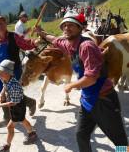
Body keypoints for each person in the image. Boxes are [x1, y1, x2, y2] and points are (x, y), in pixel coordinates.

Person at [35, 10, 128, 152]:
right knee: (81, 135)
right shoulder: (70, 44)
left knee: (120, 141)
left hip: (104, 100)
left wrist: (71, 85)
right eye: (64, 25)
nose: (66, 28)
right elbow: (55, 40)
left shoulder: (86, 46)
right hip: (87, 100)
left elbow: (91, 78)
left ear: (79, 28)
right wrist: (42, 33)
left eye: (71, 25)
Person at [0, 14, 36, 121]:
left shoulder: (14, 36)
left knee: (14, 93)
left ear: (5, 24)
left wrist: (34, 43)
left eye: (2, 23)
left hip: (14, 71)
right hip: (0, 73)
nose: (0, 26)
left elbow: (26, 45)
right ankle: (7, 116)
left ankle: (30, 102)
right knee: (2, 94)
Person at [0, 60, 37, 151]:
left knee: (10, 126)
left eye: (1, 72)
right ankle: (32, 133)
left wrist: (0, 105)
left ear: (8, 73)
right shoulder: (5, 79)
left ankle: (7, 146)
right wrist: (2, 93)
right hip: (15, 106)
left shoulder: (14, 86)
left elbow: (13, 102)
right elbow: (5, 86)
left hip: (18, 107)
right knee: (23, 120)